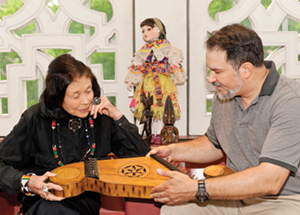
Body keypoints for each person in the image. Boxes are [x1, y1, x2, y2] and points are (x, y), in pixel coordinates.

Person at [148, 24, 300, 215]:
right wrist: (174, 151)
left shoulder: (291, 101)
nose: (211, 79)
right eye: (209, 71)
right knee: (173, 211)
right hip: (233, 195)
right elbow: (215, 144)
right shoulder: (226, 94)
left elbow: (270, 180)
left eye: (217, 72)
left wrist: (197, 188)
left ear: (246, 70)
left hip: (283, 201)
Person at [0, 54, 150, 215]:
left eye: (88, 91)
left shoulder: (100, 117)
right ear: (57, 97)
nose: (85, 101)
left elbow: (142, 158)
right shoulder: (34, 119)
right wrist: (27, 182)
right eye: (76, 96)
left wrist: (118, 118)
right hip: (41, 201)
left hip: (83, 205)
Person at [125, 18, 187, 143]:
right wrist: (132, 80)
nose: (145, 33)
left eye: (149, 29)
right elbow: (137, 66)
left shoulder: (167, 48)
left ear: (159, 29)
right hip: (147, 83)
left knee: (161, 108)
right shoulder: (143, 50)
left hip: (163, 82)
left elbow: (174, 64)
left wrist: (177, 74)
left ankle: (158, 134)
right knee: (149, 110)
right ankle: (151, 134)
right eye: (143, 31)